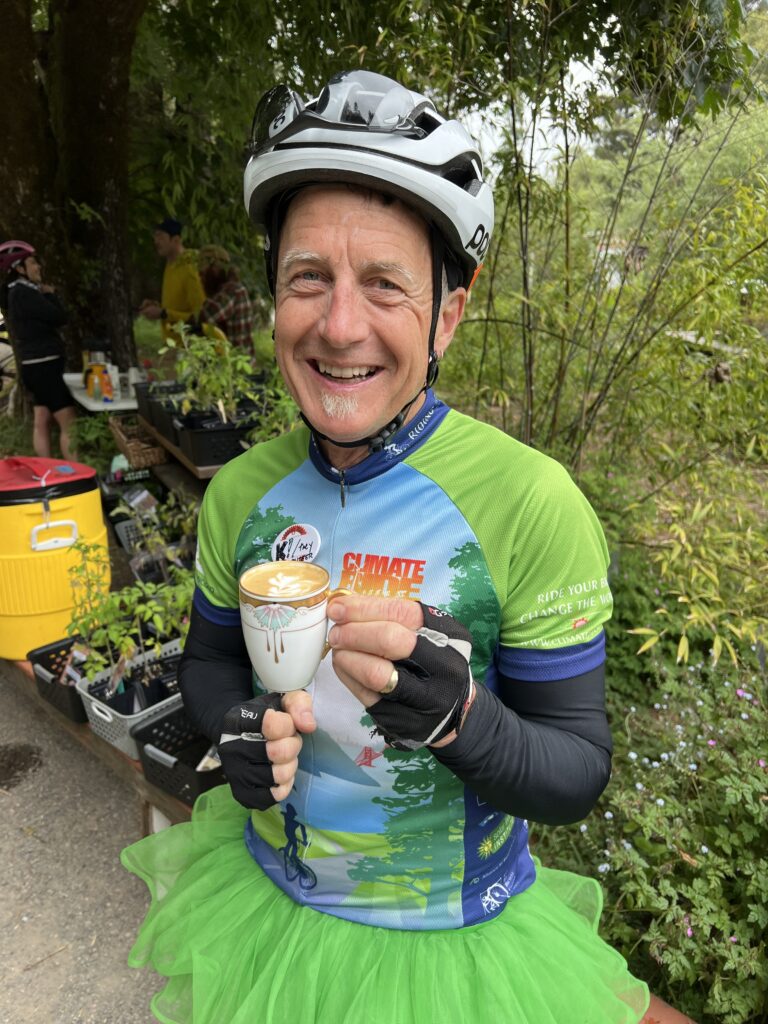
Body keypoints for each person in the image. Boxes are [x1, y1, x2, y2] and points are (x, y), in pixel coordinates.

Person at [122, 71, 694, 1024]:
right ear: (275, 299)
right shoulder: (239, 494)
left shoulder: (530, 502)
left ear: (448, 318)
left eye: (385, 284)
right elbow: (211, 663)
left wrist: (461, 719)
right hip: (267, 913)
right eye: (309, 277)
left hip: (454, 950)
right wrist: (236, 731)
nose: (340, 325)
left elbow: (575, 770)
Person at [0, 240, 76, 457]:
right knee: (69, 422)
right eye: (33, 263)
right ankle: (77, 471)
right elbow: (59, 317)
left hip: (32, 365)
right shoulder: (25, 293)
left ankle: (46, 470)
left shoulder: (16, 293)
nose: (38, 267)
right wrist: (50, 294)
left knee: (41, 420)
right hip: (44, 365)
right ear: (19, 269)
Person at [139, 217, 204, 340]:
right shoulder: (170, 263)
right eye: (155, 237)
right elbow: (178, 305)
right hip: (171, 343)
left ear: (176, 240)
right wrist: (157, 308)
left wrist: (163, 313)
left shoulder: (189, 267)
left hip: (189, 345)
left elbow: (200, 317)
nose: (156, 241)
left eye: (160, 237)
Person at [193, 244, 256, 353]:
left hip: (237, 362)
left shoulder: (232, 290)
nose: (201, 280)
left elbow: (204, 316)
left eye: (203, 274)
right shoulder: (223, 292)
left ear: (215, 269)